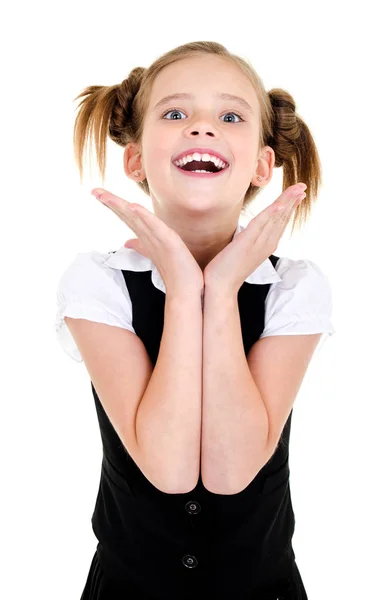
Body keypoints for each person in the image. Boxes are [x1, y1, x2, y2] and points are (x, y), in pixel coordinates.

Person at [55, 40, 335, 599]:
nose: (202, 128)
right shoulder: (99, 282)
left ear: (261, 165)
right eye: (176, 113)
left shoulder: (295, 287)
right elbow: (169, 470)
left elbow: (233, 475)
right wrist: (185, 291)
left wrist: (225, 287)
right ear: (136, 158)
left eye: (230, 116)